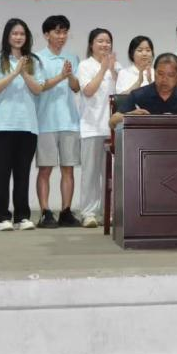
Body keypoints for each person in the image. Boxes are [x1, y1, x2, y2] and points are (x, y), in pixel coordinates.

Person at [0, 18, 45, 231]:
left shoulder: (33, 61)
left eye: (22, 34)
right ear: (7, 36)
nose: (18, 37)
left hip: (28, 125)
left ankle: (22, 216)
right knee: (2, 173)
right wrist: (14, 72)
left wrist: (24, 72)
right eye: (14, 33)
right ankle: (2, 217)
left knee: (22, 173)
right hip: (2, 125)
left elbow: (38, 89)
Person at [34, 15, 81, 228]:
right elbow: (40, 86)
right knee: (45, 169)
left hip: (69, 121)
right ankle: (45, 212)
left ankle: (66, 211)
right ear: (46, 34)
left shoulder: (72, 57)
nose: (61, 36)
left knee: (68, 169)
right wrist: (61, 76)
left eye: (64, 32)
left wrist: (69, 76)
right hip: (45, 121)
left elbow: (76, 87)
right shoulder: (37, 58)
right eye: (57, 32)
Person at [76, 28, 118, 228]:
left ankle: (109, 212)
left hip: (112, 128)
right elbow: (88, 91)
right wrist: (103, 69)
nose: (105, 45)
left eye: (108, 41)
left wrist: (112, 70)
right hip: (91, 127)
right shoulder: (85, 65)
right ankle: (88, 213)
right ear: (91, 44)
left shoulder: (116, 66)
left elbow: (122, 93)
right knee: (90, 174)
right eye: (100, 41)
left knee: (111, 175)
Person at [110, 53, 177, 125]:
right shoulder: (138, 95)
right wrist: (130, 116)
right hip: (145, 143)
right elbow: (112, 121)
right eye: (160, 74)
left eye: (170, 75)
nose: (164, 79)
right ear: (154, 72)